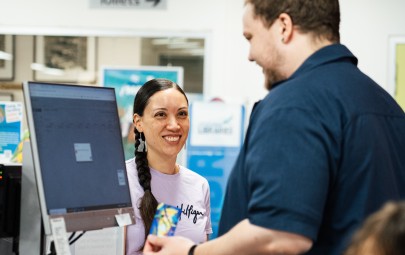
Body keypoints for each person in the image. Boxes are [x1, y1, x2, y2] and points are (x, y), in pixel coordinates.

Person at [143, 0, 405, 255]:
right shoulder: (387, 105)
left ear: (283, 26)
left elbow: (280, 235)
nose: (250, 55)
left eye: (250, 37)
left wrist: (193, 252)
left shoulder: (295, 104)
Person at [125, 78, 212, 255]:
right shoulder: (120, 181)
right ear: (138, 122)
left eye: (182, 114)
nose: (174, 125)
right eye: (161, 115)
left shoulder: (199, 186)